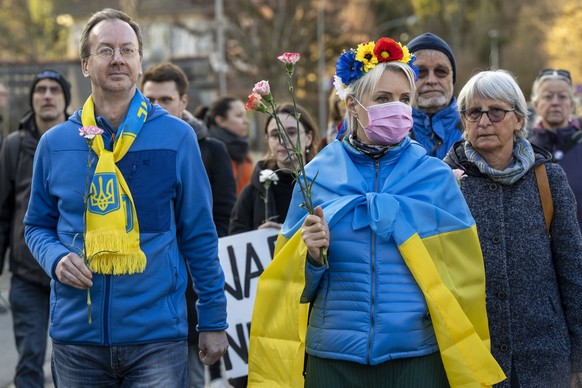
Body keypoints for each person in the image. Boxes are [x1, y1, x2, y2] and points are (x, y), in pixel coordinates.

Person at [248, 37, 505, 387]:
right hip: (334, 361)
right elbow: (292, 290)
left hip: (415, 359)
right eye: (383, 99)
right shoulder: (316, 177)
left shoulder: (435, 178)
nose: (397, 108)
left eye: (404, 99)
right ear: (353, 105)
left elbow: (462, 284)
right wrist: (310, 258)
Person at [23, 8, 228, 386]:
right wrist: (55, 258)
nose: (118, 59)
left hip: (156, 341)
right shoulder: (55, 144)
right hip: (76, 340)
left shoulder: (178, 138)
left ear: (139, 60)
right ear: (85, 64)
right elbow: (36, 225)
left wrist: (213, 318)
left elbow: (199, 233)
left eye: (127, 50)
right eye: (105, 50)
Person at [444, 69, 582, 387]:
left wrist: (578, 357)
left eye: (496, 111)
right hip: (470, 357)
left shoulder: (548, 178)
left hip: (544, 357)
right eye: (473, 112)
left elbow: (573, 269)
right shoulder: (444, 180)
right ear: (463, 120)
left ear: (519, 119)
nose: (484, 121)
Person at [141, 62, 235, 388]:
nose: (156, 107)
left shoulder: (211, 150)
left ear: (184, 101)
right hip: (150, 290)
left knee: (192, 377)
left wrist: (193, 255)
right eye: (149, 99)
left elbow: (222, 218)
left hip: (194, 286)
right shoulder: (129, 147)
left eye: (165, 100)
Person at [0, 69, 70, 387]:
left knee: (72, 361)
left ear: (65, 99)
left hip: (73, 273)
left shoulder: (85, 138)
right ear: (31, 98)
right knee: (30, 360)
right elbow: (3, 213)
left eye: (54, 89)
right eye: (40, 89)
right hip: (27, 277)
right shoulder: (14, 146)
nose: (47, 95)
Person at [230, 103, 318, 234]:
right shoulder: (252, 192)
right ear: (268, 140)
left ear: (309, 138)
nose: (283, 141)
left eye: (291, 133)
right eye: (275, 135)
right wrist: (258, 237)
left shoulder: (324, 184)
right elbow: (236, 240)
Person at [528, 68, 582, 231]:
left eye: (562, 96)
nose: (555, 102)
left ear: (572, 103)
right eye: (548, 96)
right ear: (536, 104)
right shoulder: (524, 151)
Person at [407, 32, 463, 159]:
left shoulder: (476, 127)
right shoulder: (389, 132)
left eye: (441, 71)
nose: (431, 80)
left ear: (452, 77)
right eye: (420, 72)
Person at [203, 96, 252, 196]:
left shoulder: (244, 151)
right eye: (239, 116)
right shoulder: (207, 151)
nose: (246, 121)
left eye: (245, 115)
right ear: (220, 120)